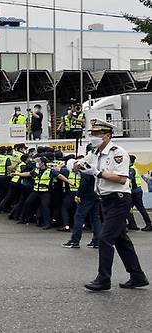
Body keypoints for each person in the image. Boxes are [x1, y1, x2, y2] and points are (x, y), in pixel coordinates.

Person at [79, 119, 148, 291]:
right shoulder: (94, 153)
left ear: (107, 136)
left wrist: (98, 173)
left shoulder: (118, 153)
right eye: (92, 134)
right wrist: (78, 166)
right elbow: (79, 166)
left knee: (105, 238)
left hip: (119, 199)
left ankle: (103, 279)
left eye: (97, 134)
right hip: (105, 200)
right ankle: (138, 276)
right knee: (121, 240)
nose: (94, 137)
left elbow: (122, 178)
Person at [63, 147, 101, 249]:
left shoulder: (84, 168)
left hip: (86, 196)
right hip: (96, 194)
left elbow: (83, 184)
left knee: (79, 217)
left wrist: (78, 195)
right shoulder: (93, 163)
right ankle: (97, 240)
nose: (74, 172)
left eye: (73, 169)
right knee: (95, 218)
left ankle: (75, 241)